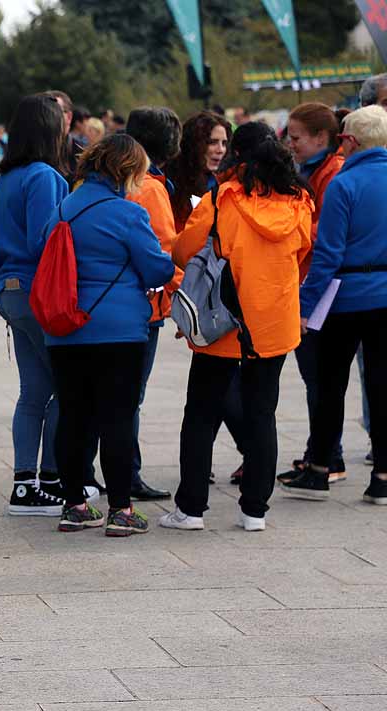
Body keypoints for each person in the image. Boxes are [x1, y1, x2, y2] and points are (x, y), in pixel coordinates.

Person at [161, 122, 313, 532]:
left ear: (238, 156)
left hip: (224, 320)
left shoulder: (221, 198)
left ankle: (191, 509)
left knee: (201, 414)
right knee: (263, 413)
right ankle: (254, 511)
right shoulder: (300, 201)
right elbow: (303, 256)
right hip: (274, 323)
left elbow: (182, 249)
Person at [42, 135, 175, 535]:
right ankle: (121, 509)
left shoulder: (62, 208)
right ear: (127, 171)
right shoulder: (128, 213)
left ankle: (74, 505)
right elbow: (156, 270)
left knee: (74, 416)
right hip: (119, 331)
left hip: (66, 330)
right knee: (117, 417)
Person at [281, 106, 387, 502]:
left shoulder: (345, 183)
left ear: (352, 141)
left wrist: (305, 305)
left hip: (347, 296)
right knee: (381, 385)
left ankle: (321, 469)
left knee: (329, 385)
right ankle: (382, 477)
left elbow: (327, 253)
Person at [0, 94, 72, 515]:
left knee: (33, 392)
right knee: (66, 386)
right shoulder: (43, 175)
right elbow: (47, 240)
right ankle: (52, 479)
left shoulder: (8, 176)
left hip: (10, 289)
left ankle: (25, 485)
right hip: (36, 289)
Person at [166, 111, 244, 481]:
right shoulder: (176, 184)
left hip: (217, 296)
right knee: (218, 381)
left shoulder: (225, 184)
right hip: (191, 292)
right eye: (211, 141)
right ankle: (247, 451)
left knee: (218, 381)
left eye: (224, 143)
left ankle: (210, 462)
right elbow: (175, 245)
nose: (218, 149)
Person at [277, 103, 347, 485]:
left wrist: (293, 229)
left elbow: (327, 231)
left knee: (318, 376)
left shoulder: (331, 173)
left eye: (297, 136)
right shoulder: (313, 169)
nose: (290, 143)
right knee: (314, 376)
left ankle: (327, 456)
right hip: (307, 281)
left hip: (320, 288)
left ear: (322, 137)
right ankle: (320, 452)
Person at [117, 106, 183, 501]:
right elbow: (163, 251)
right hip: (145, 305)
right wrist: (179, 293)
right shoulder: (151, 187)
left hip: (109, 301)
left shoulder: (114, 179)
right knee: (130, 397)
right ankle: (128, 473)